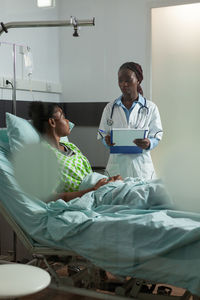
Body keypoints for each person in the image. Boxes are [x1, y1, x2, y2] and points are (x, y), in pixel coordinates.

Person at [29, 102, 122, 203]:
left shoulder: (70, 147)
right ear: (52, 122)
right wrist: (93, 190)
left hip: (104, 187)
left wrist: (111, 179)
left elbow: (89, 176)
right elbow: (49, 197)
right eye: (63, 117)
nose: (68, 121)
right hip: (94, 195)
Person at [98, 62, 163, 180]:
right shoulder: (110, 108)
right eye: (120, 80)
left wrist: (149, 143)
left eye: (128, 80)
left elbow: (157, 135)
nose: (124, 84)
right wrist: (106, 140)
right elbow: (102, 132)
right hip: (116, 167)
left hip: (142, 168)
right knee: (116, 196)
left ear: (137, 80)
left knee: (142, 197)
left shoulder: (151, 107)